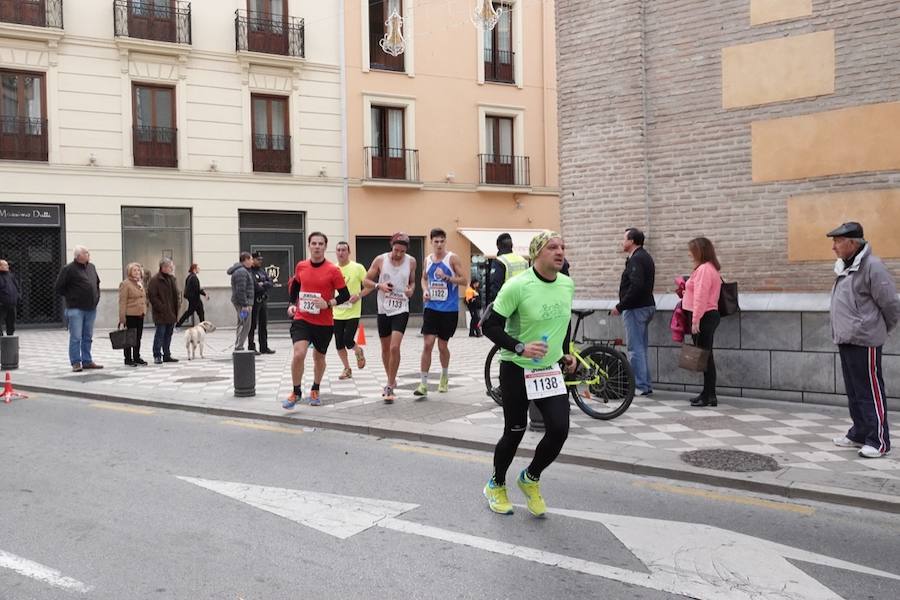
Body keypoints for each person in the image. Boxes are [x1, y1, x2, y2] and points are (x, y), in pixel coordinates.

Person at [480, 231, 575, 516]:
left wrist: (565, 351)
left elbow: (563, 321)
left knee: (559, 430)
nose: (560, 252)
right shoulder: (517, 286)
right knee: (515, 430)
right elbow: (489, 326)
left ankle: (530, 478)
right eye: (552, 247)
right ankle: (496, 484)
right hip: (516, 369)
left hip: (549, 369)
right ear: (536, 254)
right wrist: (520, 347)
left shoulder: (567, 284)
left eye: (562, 247)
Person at [827, 222, 898, 458]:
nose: (834, 247)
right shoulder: (845, 267)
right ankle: (859, 432)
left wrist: (876, 330)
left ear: (853, 243)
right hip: (846, 337)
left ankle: (878, 441)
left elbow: (890, 304)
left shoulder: (872, 266)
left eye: (838, 241)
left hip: (864, 339)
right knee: (855, 391)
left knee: (870, 391)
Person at [283, 232, 350, 408]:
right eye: (314, 243)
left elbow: (345, 295)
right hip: (302, 318)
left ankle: (315, 388)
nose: (317, 246)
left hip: (324, 322)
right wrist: (292, 303)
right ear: (309, 245)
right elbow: (296, 284)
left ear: (325, 247)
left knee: (318, 358)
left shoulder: (333, 270)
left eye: (321, 244)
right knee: (299, 354)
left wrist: (327, 303)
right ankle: (296, 392)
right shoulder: (301, 266)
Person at [363, 232, 417, 403]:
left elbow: (412, 281)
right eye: (396, 250)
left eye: (402, 251)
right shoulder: (380, 260)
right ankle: (391, 379)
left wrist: (411, 290)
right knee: (385, 349)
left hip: (401, 308)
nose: (399, 254)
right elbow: (366, 281)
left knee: (394, 348)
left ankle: (389, 385)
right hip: (383, 309)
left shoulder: (411, 261)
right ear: (391, 246)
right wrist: (380, 285)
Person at [414, 228, 468, 397]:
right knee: (427, 344)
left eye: (441, 241)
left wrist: (446, 277)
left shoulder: (452, 258)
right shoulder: (428, 259)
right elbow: (423, 278)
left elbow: (464, 280)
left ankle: (444, 376)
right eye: (435, 241)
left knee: (442, 346)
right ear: (431, 242)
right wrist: (424, 290)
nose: (438, 244)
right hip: (431, 307)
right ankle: (423, 384)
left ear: (445, 242)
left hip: (449, 309)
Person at [610, 228, 656, 396]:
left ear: (632, 241)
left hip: (636, 308)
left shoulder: (637, 259)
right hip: (645, 306)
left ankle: (640, 386)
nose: (622, 242)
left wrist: (620, 306)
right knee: (641, 347)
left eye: (624, 239)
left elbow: (636, 286)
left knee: (635, 348)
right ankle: (646, 384)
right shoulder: (643, 257)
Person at [682, 237, 721, 407]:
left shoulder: (705, 269)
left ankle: (709, 396)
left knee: (705, 358)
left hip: (703, 316)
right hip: (706, 315)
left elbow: (701, 297)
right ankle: (707, 393)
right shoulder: (708, 268)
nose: (690, 254)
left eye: (692, 250)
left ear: (700, 251)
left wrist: (696, 320)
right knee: (706, 357)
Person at [55, 245, 103, 372]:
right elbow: (59, 287)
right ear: (78, 256)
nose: (88, 254)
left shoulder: (91, 267)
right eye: (86, 252)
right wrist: (72, 297)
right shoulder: (68, 269)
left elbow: (97, 283)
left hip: (91, 308)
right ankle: (76, 362)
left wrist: (96, 298)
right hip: (76, 309)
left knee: (88, 336)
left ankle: (87, 360)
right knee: (76, 337)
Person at [333, 241, 370, 380]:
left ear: (349, 252)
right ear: (335, 252)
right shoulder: (333, 268)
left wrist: (359, 295)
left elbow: (369, 286)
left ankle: (358, 350)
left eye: (344, 250)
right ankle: (347, 369)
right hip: (336, 311)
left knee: (348, 339)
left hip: (353, 311)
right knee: (338, 343)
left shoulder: (357, 268)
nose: (341, 252)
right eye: (338, 250)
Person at [148, 258, 180, 364]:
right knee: (160, 334)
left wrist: (177, 307)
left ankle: (167, 354)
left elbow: (176, 295)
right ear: (163, 267)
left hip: (171, 312)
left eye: (171, 267)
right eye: (169, 267)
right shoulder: (155, 280)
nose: (170, 268)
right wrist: (161, 307)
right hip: (161, 313)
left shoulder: (172, 279)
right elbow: (152, 297)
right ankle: (157, 355)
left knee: (168, 335)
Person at [118, 262, 148, 366]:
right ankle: (128, 358)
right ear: (129, 272)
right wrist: (122, 319)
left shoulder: (140, 283)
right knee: (129, 337)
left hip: (140, 314)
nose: (137, 272)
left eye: (138, 270)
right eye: (134, 270)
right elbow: (122, 302)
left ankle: (136, 356)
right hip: (130, 314)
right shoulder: (125, 284)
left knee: (138, 337)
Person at [486, 232, 528, 304]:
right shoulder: (524, 261)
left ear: (498, 246)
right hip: (523, 303)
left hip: (506, 305)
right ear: (512, 245)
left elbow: (495, 287)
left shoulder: (499, 261)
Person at [248, 251, 275, 355]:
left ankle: (264, 347)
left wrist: (263, 284)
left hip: (263, 300)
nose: (260, 261)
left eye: (261, 260)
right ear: (253, 260)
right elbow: (255, 286)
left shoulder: (262, 271)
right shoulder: (250, 272)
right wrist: (263, 285)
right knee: (252, 325)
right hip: (254, 301)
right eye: (258, 259)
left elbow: (270, 282)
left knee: (263, 325)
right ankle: (251, 346)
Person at [227, 252, 255, 351]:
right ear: (246, 260)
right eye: (251, 259)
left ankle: (238, 344)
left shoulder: (243, 271)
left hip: (242, 303)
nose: (252, 261)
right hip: (243, 304)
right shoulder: (242, 272)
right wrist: (245, 305)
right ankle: (239, 345)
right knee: (245, 324)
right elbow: (241, 290)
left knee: (242, 322)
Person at [176, 263, 207, 327]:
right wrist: (204, 294)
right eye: (198, 268)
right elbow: (197, 289)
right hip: (195, 299)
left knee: (200, 312)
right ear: (194, 269)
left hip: (193, 298)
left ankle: (203, 327)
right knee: (191, 312)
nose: (199, 269)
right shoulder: (194, 278)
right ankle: (178, 324)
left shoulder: (189, 277)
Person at [0, 259, 20, 336]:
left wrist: (18, 297)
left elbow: (17, 287)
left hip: (12, 304)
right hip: (1, 304)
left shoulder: (11, 276)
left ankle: (10, 339)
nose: (7, 266)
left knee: (11, 323)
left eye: (7, 265)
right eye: (4, 265)